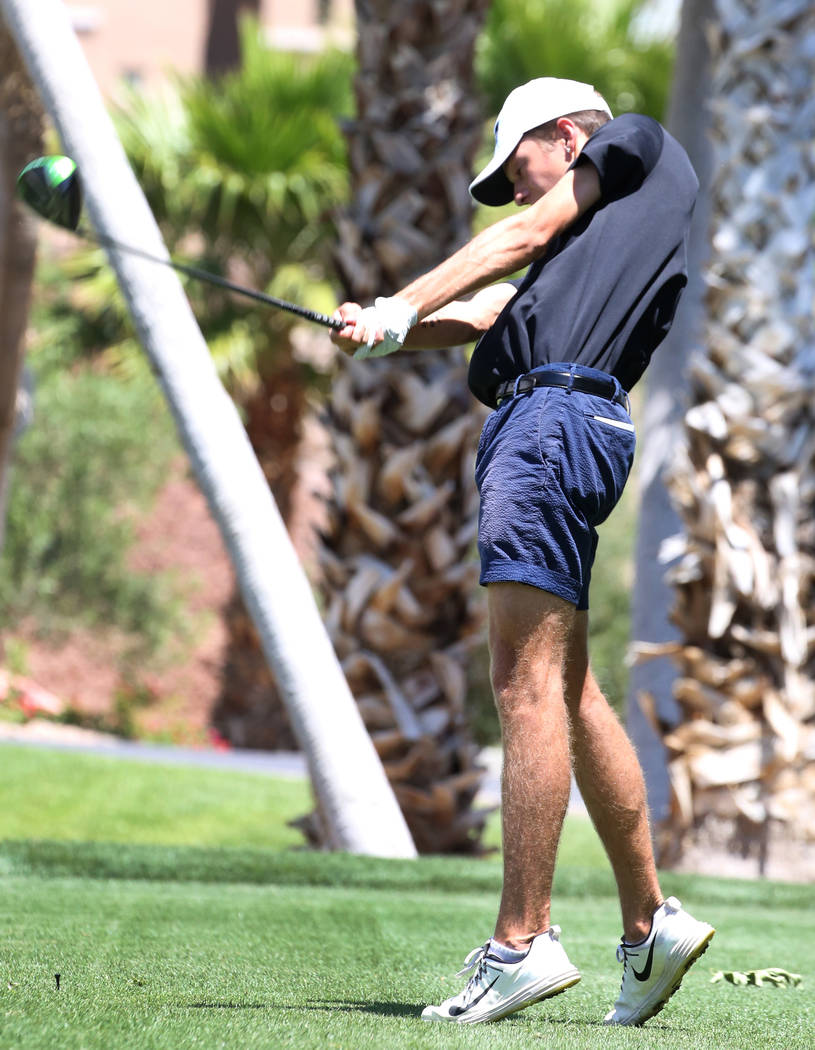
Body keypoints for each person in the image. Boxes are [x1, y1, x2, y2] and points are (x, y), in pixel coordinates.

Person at [331, 77, 715, 1027]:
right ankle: (648, 923)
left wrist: (397, 296)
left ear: (567, 133)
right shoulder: (589, 257)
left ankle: (521, 942)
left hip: (548, 426)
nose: (514, 193)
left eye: (517, 169)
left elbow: (523, 234)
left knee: (523, 684)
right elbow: (484, 313)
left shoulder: (629, 146)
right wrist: (387, 330)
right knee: (568, 691)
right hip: (564, 424)